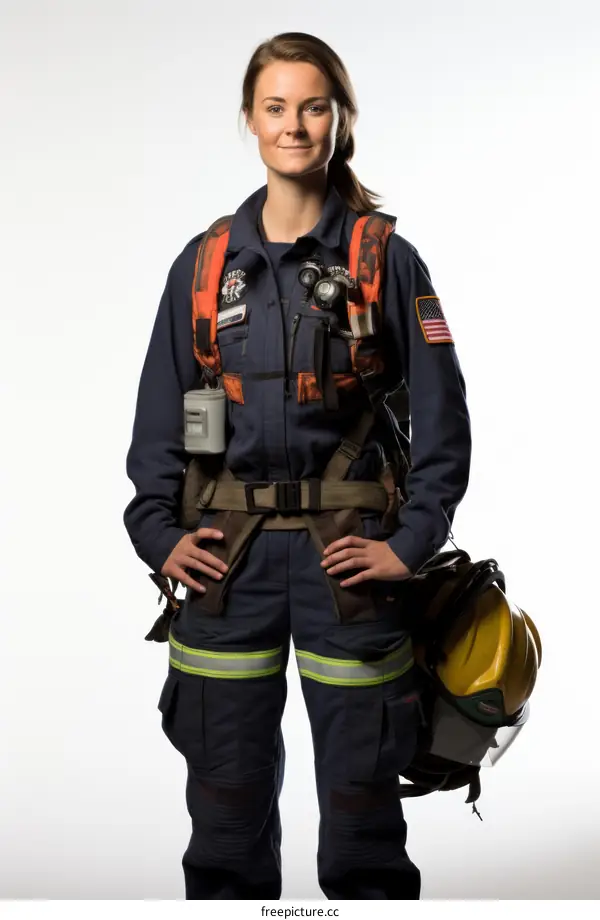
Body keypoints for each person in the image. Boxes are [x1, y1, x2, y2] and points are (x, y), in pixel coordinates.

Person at [123, 31, 471, 900]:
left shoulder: (384, 260)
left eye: (313, 106)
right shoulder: (203, 269)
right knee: (226, 825)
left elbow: (446, 420)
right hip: (225, 568)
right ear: (250, 118)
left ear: (339, 119)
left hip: (351, 567)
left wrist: (413, 541)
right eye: (276, 107)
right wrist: (158, 534)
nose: (294, 124)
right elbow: (158, 426)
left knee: (362, 827)